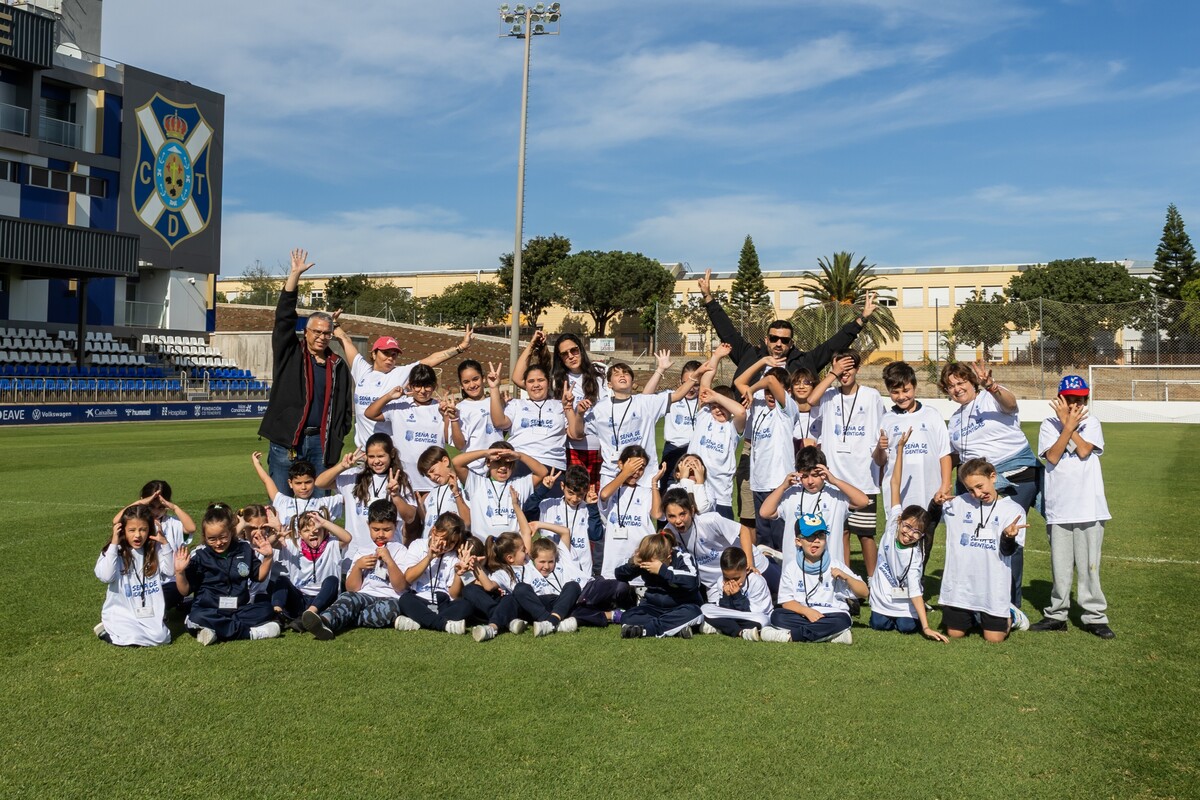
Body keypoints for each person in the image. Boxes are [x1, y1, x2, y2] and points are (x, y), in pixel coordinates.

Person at [696, 268, 876, 532]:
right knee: (749, 509)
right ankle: (754, 561)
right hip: (752, 444)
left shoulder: (802, 362)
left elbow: (831, 344)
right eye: (774, 339)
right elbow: (728, 332)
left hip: (787, 446)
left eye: (785, 340)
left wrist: (860, 320)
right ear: (766, 339)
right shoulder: (750, 355)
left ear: (791, 343)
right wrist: (709, 298)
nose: (779, 343)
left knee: (784, 510)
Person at [941, 360, 1039, 605]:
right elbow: (956, 457)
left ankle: (1010, 606)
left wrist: (992, 386)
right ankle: (981, 599)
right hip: (979, 485)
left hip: (1017, 476)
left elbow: (1011, 403)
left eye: (961, 382)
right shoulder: (954, 421)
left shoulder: (989, 397)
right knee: (982, 539)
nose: (957, 389)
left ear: (972, 382)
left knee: (1009, 537)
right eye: (951, 386)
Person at [259, 248, 355, 495]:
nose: (322, 337)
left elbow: (344, 409)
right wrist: (294, 276)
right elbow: (283, 318)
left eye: (326, 333)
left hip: (321, 444)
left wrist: (338, 434)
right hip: (288, 442)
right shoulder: (290, 353)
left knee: (320, 508)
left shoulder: (338, 365)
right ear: (306, 332)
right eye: (317, 332)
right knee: (284, 504)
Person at [1031, 376, 1114, 639]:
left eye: (1081, 398)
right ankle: (1057, 615)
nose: (1076, 403)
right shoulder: (1048, 425)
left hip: (1090, 506)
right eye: (1071, 398)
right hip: (1060, 508)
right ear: (1060, 399)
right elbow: (1053, 456)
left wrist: (1071, 426)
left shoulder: (1092, 422)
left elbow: (1084, 450)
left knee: (1090, 566)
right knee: (1061, 566)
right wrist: (1065, 426)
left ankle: (1095, 617)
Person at [564, 354, 696, 490]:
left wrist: (697, 374)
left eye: (626, 373)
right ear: (609, 384)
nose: (622, 375)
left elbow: (678, 394)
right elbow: (577, 433)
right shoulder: (599, 409)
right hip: (612, 474)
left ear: (632, 382)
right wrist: (579, 414)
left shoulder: (645, 402)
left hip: (644, 476)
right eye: (616, 374)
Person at [934, 458, 1027, 643]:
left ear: (992, 477)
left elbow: (1008, 553)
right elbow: (929, 520)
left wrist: (1008, 537)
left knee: (994, 639)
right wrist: (935, 503)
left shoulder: (1013, 510)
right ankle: (976, 615)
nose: (977, 493)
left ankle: (1012, 615)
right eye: (970, 489)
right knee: (955, 633)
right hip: (961, 588)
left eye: (979, 486)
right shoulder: (957, 503)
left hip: (993, 587)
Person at [867, 428, 948, 641]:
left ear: (922, 536)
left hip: (904, 599)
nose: (909, 533)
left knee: (907, 627)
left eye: (916, 532)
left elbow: (915, 591)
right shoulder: (894, 521)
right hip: (882, 596)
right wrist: (900, 449)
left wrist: (926, 627)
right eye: (908, 526)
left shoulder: (916, 556)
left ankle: (909, 618)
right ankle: (884, 612)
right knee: (879, 625)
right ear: (901, 520)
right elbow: (895, 483)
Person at [812, 349, 887, 578]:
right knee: (840, 533)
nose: (845, 374)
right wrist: (832, 374)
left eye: (849, 368)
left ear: (858, 369)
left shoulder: (871, 396)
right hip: (835, 480)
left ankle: (873, 582)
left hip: (863, 478)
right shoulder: (828, 396)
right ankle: (847, 581)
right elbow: (811, 399)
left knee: (865, 535)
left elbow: (880, 434)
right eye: (840, 370)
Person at [873, 360, 951, 566]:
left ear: (914, 386)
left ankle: (918, 589)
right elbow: (880, 461)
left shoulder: (932, 415)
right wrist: (880, 448)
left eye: (906, 390)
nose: (901, 396)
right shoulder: (886, 420)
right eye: (895, 392)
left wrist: (944, 485)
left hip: (929, 494)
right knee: (899, 543)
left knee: (925, 543)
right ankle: (895, 590)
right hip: (899, 499)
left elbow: (944, 453)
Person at [347, 328, 474, 449]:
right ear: (374, 354)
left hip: (387, 451)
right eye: (385, 353)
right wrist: (334, 324)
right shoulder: (362, 369)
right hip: (362, 452)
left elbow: (430, 360)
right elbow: (345, 340)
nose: (390, 358)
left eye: (394, 354)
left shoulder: (401, 373)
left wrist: (460, 347)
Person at [174, 503, 280, 645]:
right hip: (210, 609)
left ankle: (214, 630)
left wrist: (268, 557)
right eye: (212, 539)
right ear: (204, 536)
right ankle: (250, 633)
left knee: (266, 609)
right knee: (197, 617)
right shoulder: (199, 555)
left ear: (231, 532)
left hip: (238, 609)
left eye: (223, 537)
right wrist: (179, 572)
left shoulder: (244, 548)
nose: (218, 543)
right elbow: (185, 590)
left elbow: (259, 577)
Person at [300, 501, 408, 639]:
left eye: (386, 530)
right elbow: (352, 588)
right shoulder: (363, 550)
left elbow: (400, 586)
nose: (380, 534)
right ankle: (325, 621)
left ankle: (347, 617)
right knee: (347, 598)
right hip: (364, 595)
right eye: (375, 529)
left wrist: (390, 561)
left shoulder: (400, 550)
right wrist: (358, 567)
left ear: (396, 526)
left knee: (390, 609)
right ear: (368, 525)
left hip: (389, 597)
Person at [514, 330, 609, 485]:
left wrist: (606, 444)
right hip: (570, 449)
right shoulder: (556, 381)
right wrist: (532, 345)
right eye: (564, 354)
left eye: (574, 350)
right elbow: (518, 378)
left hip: (600, 448)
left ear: (581, 349)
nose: (570, 356)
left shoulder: (601, 374)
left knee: (598, 501)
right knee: (574, 501)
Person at [761, 514, 866, 644]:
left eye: (820, 536)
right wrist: (807, 611)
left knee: (843, 620)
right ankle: (832, 636)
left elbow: (864, 592)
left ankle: (789, 636)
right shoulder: (791, 567)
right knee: (777, 616)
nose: (816, 540)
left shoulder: (836, 565)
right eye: (810, 537)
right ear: (798, 541)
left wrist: (847, 577)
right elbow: (787, 602)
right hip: (802, 614)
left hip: (831, 614)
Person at [758, 445, 869, 567]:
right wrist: (783, 487)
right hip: (795, 567)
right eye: (804, 476)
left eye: (815, 475)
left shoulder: (836, 495)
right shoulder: (791, 494)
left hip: (829, 567)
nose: (810, 481)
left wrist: (835, 480)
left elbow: (863, 501)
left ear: (825, 471)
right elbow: (765, 512)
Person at [659, 487, 772, 602]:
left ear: (692, 510)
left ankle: (769, 557)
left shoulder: (710, 520)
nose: (678, 521)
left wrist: (749, 563)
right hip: (715, 583)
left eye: (682, 514)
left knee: (779, 597)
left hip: (748, 566)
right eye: (671, 516)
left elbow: (743, 530)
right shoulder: (669, 533)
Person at [734, 356, 800, 551]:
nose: (770, 395)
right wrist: (762, 361)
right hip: (759, 482)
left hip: (779, 483)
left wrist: (751, 390)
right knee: (764, 542)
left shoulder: (787, 409)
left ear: (787, 392)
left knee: (781, 539)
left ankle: (785, 579)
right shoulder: (759, 405)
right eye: (767, 393)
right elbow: (739, 382)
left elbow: (770, 380)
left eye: (774, 392)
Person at [316, 433, 417, 553]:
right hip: (353, 553)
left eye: (381, 456)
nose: (376, 461)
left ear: (392, 454)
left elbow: (410, 517)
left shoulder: (400, 479)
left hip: (389, 553)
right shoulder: (354, 476)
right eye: (371, 456)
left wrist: (396, 496)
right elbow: (319, 483)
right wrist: (342, 466)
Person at [93, 504, 173, 647]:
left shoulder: (154, 549)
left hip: (148, 612)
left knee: (163, 638)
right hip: (123, 612)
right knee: (131, 638)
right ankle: (107, 632)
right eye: (131, 530)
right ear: (122, 530)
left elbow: (170, 571)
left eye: (143, 530)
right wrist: (114, 543)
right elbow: (106, 576)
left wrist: (165, 543)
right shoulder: (114, 552)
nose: (137, 535)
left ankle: (122, 634)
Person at [363, 364, 447, 495]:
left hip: (433, 480)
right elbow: (370, 413)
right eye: (417, 386)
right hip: (404, 481)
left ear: (434, 386)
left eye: (427, 386)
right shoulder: (399, 406)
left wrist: (448, 416)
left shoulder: (441, 408)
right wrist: (389, 396)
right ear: (410, 386)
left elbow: (450, 439)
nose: (422, 391)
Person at [615, 531, 704, 639]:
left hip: (680, 607)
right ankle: (674, 629)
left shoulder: (684, 558)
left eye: (654, 563)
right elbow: (619, 575)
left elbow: (693, 582)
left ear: (669, 556)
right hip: (652, 607)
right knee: (627, 617)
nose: (649, 566)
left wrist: (662, 570)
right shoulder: (646, 559)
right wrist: (633, 563)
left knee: (694, 613)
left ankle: (645, 630)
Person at [271, 510, 351, 630]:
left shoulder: (331, 544)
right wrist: (276, 537)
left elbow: (347, 538)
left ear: (325, 531)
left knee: (332, 580)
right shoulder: (293, 545)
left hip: (324, 600)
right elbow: (270, 544)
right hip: (300, 598)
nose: (312, 533)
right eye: (306, 531)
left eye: (317, 530)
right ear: (300, 534)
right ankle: (277, 615)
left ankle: (309, 615)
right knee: (281, 580)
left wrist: (324, 522)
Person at [393, 512, 472, 634]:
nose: (445, 545)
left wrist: (459, 574)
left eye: (451, 543)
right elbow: (408, 578)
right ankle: (445, 625)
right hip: (419, 599)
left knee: (466, 605)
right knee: (405, 599)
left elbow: (454, 594)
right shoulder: (418, 545)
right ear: (434, 531)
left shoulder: (453, 556)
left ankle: (419, 621)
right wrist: (429, 557)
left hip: (443, 603)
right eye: (444, 539)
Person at [452, 442, 548, 540]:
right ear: (488, 463)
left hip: (512, 549)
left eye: (507, 463)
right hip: (483, 547)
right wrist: (485, 453)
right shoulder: (477, 483)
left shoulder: (519, 484)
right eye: (498, 462)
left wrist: (519, 456)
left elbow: (542, 472)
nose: (503, 467)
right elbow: (457, 463)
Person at [488, 361, 567, 475]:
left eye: (540, 380)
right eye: (531, 381)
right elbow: (499, 423)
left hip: (552, 464)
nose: (536, 385)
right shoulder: (515, 404)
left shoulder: (561, 405)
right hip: (520, 463)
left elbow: (574, 433)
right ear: (525, 384)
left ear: (548, 382)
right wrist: (494, 388)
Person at [250, 454, 343, 530]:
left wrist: (343, 466)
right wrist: (257, 464)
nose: (303, 487)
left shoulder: (325, 503)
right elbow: (267, 481)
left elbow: (350, 494)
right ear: (290, 483)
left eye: (308, 482)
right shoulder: (283, 501)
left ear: (314, 480)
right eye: (298, 483)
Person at [698, 548, 773, 641]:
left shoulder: (757, 581)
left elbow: (755, 612)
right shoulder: (720, 581)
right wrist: (726, 596)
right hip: (732, 616)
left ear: (747, 569)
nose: (731, 582)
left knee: (762, 621)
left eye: (736, 578)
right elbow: (724, 610)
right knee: (704, 609)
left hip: (752, 617)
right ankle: (741, 632)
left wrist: (737, 596)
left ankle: (723, 628)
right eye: (727, 578)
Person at [659, 359, 703, 494]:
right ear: (680, 381)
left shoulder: (705, 401)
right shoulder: (670, 397)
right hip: (673, 450)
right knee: (668, 490)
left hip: (697, 452)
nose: (691, 388)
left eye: (696, 384)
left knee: (694, 491)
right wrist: (660, 369)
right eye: (687, 382)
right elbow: (645, 397)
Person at [448, 358, 498, 476]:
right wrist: (454, 419)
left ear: (483, 378)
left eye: (475, 379)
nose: (472, 385)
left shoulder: (495, 401)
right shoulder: (460, 408)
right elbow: (460, 445)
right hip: (475, 470)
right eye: (466, 382)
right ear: (461, 385)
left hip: (498, 466)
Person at [416, 446, 472, 537]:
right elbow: (427, 524)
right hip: (428, 545)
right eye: (428, 476)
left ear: (445, 461)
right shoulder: (431, 494)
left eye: (432, 470)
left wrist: (456, 494)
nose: (432, 477)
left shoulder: (462, 485)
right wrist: (421, 508)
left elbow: (467, 522)